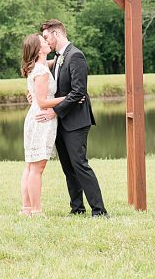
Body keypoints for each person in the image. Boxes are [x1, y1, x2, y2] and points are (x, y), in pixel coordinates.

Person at [35, 19, 108, 218]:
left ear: (56, 33)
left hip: (76, 121)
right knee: (68, 167)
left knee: (80, 165)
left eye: (47, 36)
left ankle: (99, 210)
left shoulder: (76, 56)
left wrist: (55, 111)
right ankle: (77, 208)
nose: (46, 40)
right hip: (62, 121)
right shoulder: (58, 57)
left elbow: (78, 92)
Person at [20, 33, 66, 217]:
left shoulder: (38, 67)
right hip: (42, 119)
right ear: (39, 49)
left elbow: (56, 62)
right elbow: (42, 102)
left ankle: (26, 209)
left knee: (31, 166)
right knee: (37, 168)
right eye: (43, 41)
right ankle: (36, 211)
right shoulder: (41, 71)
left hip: (35, 117)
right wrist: (70, 98)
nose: (47, 42)